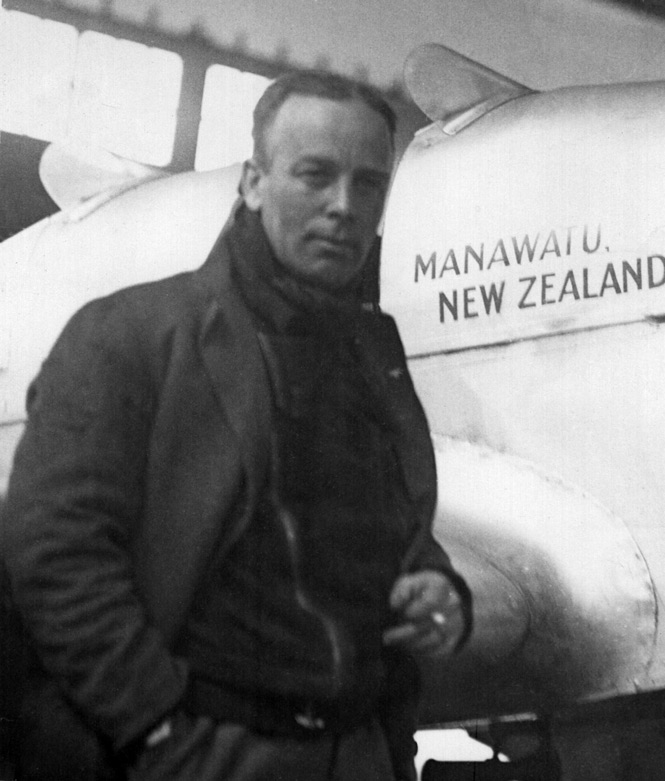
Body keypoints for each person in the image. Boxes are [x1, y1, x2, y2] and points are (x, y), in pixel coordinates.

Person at [1, 70, 472, 781]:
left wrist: (439, 588)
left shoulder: (370, 354)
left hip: (359, 751)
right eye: (314, 175)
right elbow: (53, 556)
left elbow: (390, 530)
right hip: (210, 750)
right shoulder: (127, 335)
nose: (344, 207)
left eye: (369, 184)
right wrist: (154, 730)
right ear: (252, 183)